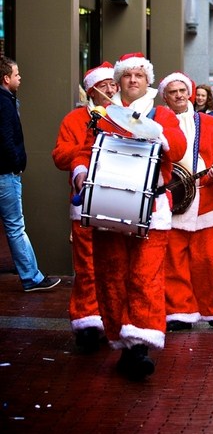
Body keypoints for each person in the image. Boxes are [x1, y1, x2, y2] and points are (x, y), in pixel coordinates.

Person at [71, 53, 186, 381]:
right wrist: (81, 172)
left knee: (145, 276)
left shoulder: (162, 112)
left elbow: (176, 148)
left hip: (151, 207)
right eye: (127, 76)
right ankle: (122, 339)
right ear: (118, 81)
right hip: (108, 205)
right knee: (111, 275)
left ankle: (140, 344)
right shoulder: (103, 113)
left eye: (139, 75)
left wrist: (156, 132)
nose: (133, 80)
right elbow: (83, 150)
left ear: (147, 81)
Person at [158, 73, 213, 332]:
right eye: (172, 92)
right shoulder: (156, 123)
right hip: (172, 203)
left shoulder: (210, 124)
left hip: (207, 202)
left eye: (182, 90)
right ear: (164, 96)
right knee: (174, 262)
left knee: (211, 260)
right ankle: (180, 310)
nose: (179, 95)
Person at [52, 62, 118, 351]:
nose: (109, 90)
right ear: (91, 91)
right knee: (87, 266)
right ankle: (88, 321)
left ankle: (113, 320)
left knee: (115, 266)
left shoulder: (125, 117)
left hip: (119, 202)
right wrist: (84, 152)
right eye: (103, 86)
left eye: (112, 85)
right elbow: (60, 154)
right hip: (85, 203)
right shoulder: (73, 119)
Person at [0, 57, 60, 292]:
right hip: (5, 175)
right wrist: (16, 163)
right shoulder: (4, 103)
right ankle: (31, 278)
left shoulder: (7, 100)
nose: (20, 78)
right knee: (16, 228)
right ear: (6, 79)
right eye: (17, 75)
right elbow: (5, 138)